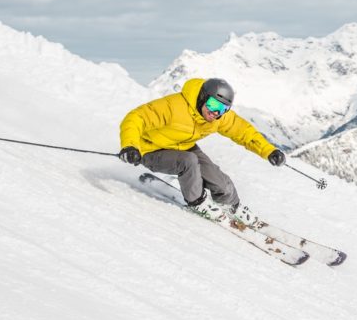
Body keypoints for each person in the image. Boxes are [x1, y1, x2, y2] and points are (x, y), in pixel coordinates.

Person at [118, 77, 285, 223]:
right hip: (150, 150)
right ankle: (198, 202)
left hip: (185, 147)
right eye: (213, 105)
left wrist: (269, 151)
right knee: (188, 161)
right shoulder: (174, 106)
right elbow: (136, 118)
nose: (215, 113)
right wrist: (130, 146)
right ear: (203, 97)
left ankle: (231, 206)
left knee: (220, 182)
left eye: (222, 109)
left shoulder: (217, 118)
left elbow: (243, 132)